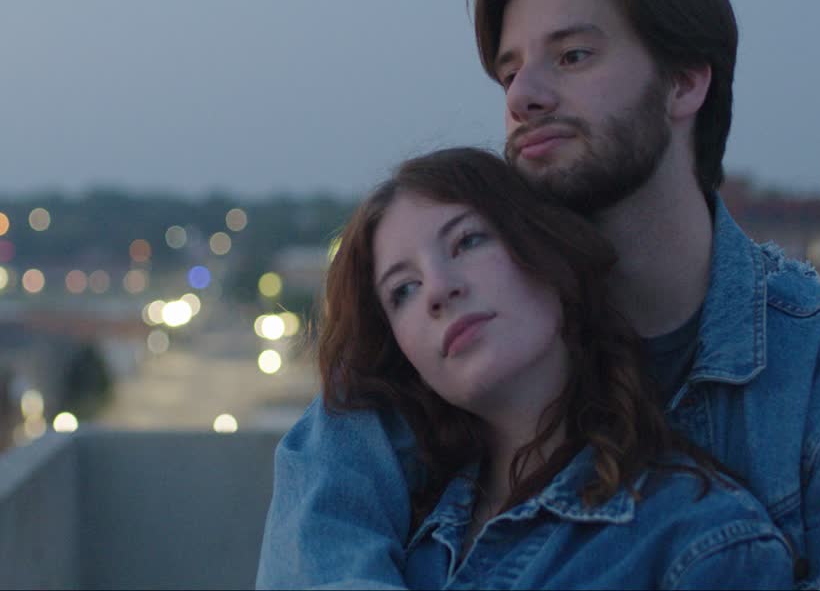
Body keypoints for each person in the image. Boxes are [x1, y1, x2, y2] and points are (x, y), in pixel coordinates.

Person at [257, 0, 820, 590]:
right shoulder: (455, 343)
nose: (523, 97)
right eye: (509, 74)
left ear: (684, 80)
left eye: (572, 56)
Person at [304, 146, 794, 588]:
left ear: (547, 249)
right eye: (402, 291)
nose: (437, 290)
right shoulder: (402, 541)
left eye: (468, 242)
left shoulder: (702, 544)